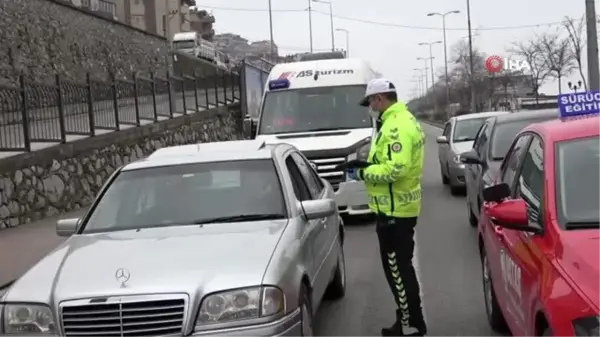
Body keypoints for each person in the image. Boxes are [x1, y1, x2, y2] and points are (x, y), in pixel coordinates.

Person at [348, 78, 427, 336]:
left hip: (394, 212)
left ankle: (409, 326)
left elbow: (395, 168)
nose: (370, 106)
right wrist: (364, 166)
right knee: (401, 270)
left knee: (398, 273)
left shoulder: (395, 127)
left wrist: (362, 175)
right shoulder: (400, 120)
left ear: (380, 99)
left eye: (371, 101)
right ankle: (410, 321)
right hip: (397, 208)